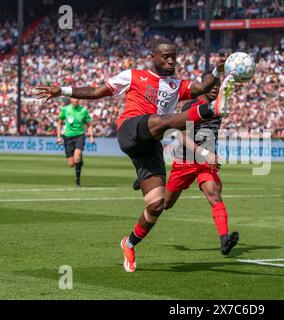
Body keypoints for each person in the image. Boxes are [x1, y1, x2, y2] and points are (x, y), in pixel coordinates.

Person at [35, 38, 235, 272]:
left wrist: (216, 70)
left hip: (150, 144)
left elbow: (201, 88)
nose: (171, 61)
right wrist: (62, 91)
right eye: (166, 57)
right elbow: (98, 91)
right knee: (161, 121)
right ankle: (212, 110)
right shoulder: (133, 76)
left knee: (157, 205)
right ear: (153, 57)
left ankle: (128, 244)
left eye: (174, 56)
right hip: (130, 130)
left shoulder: (176, 85)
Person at [164, 70, 239, 256]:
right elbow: (182, 137)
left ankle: (224, 240)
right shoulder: (190, 106)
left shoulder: (218, 106)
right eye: (211, 85)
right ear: (203, 85)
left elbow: (225, 96)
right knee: (165, 204)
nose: (214, 89)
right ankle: (144, 181)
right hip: (185, 160)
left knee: (214, 194)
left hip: (206, 163)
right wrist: (205, 153)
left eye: (217, 85)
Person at [57, 98, 94, 186]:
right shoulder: (65, 109)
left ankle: (77, 179)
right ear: (71, 99)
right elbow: (59, 123)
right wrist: (59, 137)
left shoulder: (83, 110)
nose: (77, 100)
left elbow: (89, 125)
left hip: (80, 135)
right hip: (68, 137)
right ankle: (80, 162)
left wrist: (91, 136)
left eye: (78, 98)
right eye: (75, 98)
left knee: (76, 157)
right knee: (71, 164)